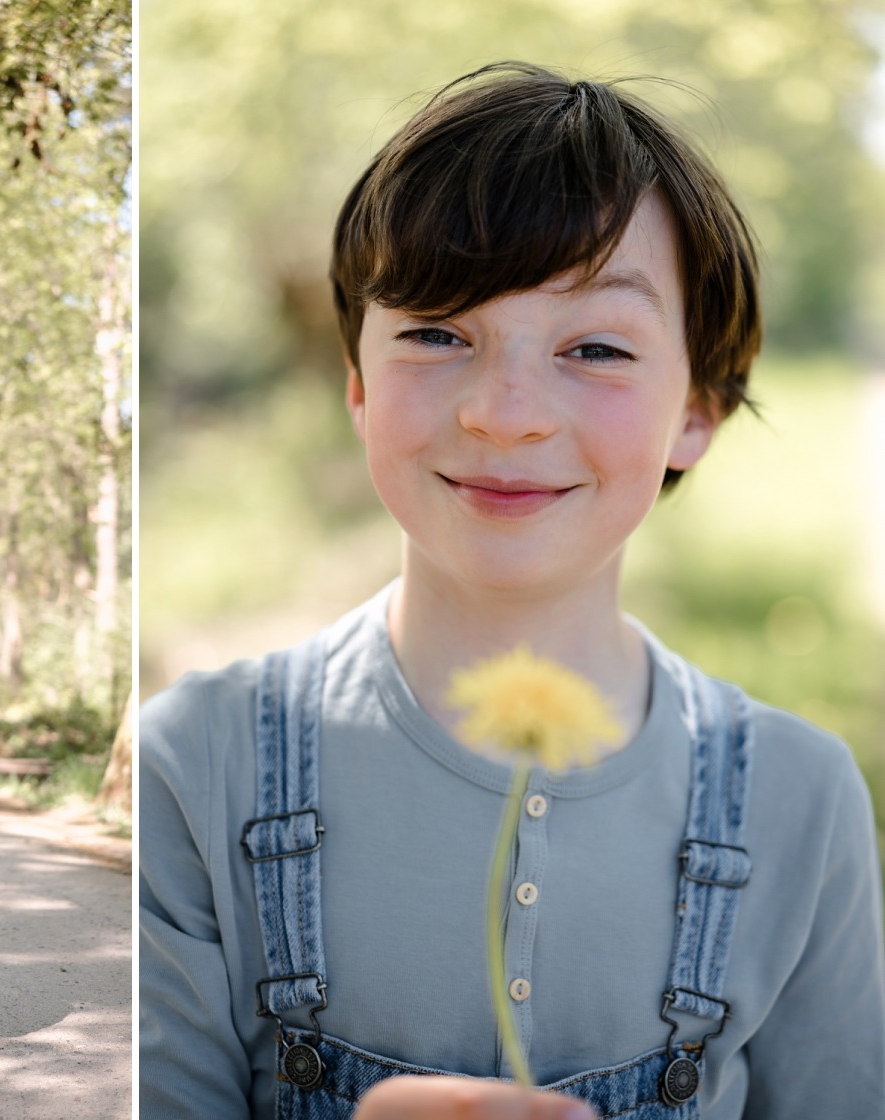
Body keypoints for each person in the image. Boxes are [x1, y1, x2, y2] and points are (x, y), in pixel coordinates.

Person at [138, 62, 885, 1119]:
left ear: (700, 407)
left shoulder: (803, 802)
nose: (505, 412)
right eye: (439, 331)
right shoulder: (195, 767)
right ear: (356, 378)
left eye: (597, 347)